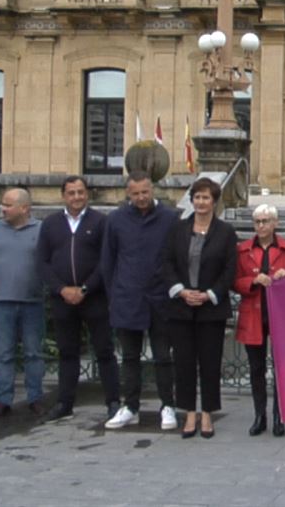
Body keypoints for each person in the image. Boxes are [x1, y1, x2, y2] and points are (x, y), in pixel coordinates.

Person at [37, 175, 119, 422]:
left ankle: (113, 401)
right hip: (62, 298)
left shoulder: (100, 221)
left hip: (94, 297)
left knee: (104, 350)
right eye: (71, 193)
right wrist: (62, 289)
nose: (76, 197)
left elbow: (106, 261)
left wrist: (84, 289)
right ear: (63, 195)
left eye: (80, 192)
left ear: (87, 194)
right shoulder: (51, 224)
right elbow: (42, 262)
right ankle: (65, 403)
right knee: (67, 352)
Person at [102, 171, 180, 431]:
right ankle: (131, 406)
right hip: (127, 297)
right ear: (127, 193)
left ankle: (168, 405)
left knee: (162, 357)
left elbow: (177, 258)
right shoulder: (115, 220)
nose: (141, 197)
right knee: (130, 357)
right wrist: (114, 294)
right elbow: (108, 261)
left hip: (161, 299)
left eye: (145, 192)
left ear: (152, 189)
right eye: (135, 194)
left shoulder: (170, 218)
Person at [161, 177, 237, 439]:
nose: (201, 202)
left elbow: (230, 269)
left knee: (209, 363)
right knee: (183, 363)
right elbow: (167, 263)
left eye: (206, 198)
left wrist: (209, 294)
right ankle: (189, 414)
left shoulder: (226, 232)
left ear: (214, 202)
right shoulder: (177, 229)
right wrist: (181, 291)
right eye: (197, 197)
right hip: (181, 307)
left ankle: (207, 414)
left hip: (210, 309)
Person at [0, 188, 44, 420]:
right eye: (3, 204)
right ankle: (3, 401)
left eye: (8, 205)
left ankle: (35, 398)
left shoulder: (41, 230)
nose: (3, 208)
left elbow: (49, 261)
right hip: (1, 301)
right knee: (4, 354)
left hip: (32, 302)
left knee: (33, 353)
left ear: (24, 208)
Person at [235, 204, 285, 437]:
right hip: (253, 313)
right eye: (257, 222)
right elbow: (235, 281)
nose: (261, 226)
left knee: (281, 367)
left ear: (275, 223)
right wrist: (252, 281)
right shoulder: (242, 250)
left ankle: (278, 415)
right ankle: (259, 414)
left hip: (279, 315)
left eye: (265, 221)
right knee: (256, 368)